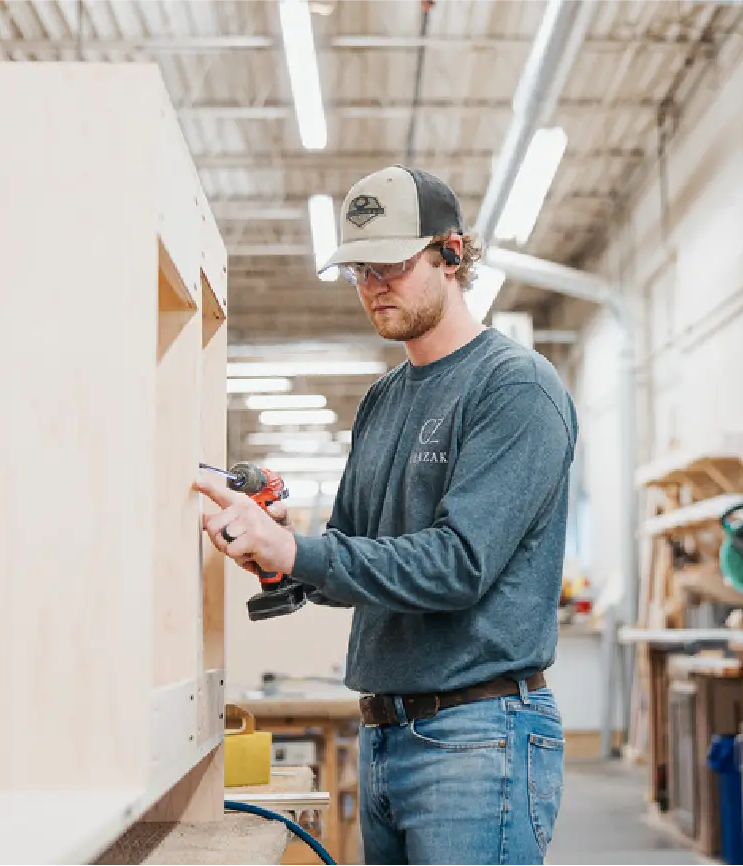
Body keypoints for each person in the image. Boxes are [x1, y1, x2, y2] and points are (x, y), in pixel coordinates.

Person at [195, 165, 578, 865]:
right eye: (359, 271)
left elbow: (458, 566)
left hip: (478, 737)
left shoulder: (514, 387)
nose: (374, 285)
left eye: (392, 265)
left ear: (451, 254)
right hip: (383, 730)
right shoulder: (383, 400)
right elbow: (349, 551)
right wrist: (276, 552)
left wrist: (296, 553)